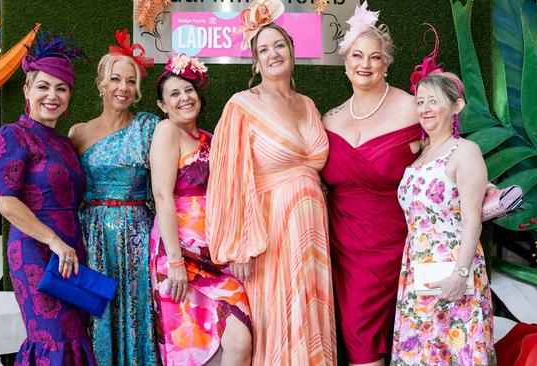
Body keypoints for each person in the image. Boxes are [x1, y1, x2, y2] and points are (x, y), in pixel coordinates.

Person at [206, 1, 337, 364]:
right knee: (277, 314)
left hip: (312, 229)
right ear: (255, 63)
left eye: (279, 45)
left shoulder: (309, 105)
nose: (273, 53)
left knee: (311, 309)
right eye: (263, 49)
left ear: (293, 52)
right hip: (270, 233)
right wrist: (238, 246)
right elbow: (228, 179)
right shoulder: (242, 105)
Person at [320, 3, 421, 365]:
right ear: (345, 62)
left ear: (386, 63)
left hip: (402, 244)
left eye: (374, 57)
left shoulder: (413, 108)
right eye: (357, 55)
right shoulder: (327, 120)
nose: (365, 64)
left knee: (412, 340)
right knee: (359, 340)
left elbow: (445, 157)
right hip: (344, 248)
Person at [0, 32, 96, 365]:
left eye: (61, 88)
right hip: (36, 254)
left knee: (76, 336)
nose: (52, 95)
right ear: (27, 91)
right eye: (43, 87)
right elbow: (4, 201)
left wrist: (70, 247)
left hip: (70, 254)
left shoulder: (64, 143)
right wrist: (55, 242)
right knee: (53, 338)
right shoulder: (12, 135)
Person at [391, 33, 494, 365]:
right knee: (422, 354)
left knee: (454, 350)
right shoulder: (420, 154)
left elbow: (472, 220)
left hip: (454, 270)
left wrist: (460, 275)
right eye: (420, 102)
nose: (425, 108)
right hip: (417, 269)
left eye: (433, 100)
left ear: (457, 106)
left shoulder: (465, 151)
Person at [149, 55, 252, 366]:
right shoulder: (167, 130)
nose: (184, 98)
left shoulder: (211, 139)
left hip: (216, 258)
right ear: (162, 105)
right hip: (180, 258)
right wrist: (176, 262)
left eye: (189, 90)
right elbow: (162, 196)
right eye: (175, 94)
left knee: (238, 339)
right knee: (194, 349)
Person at [68, 29, 159, 366]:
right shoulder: (78, 132)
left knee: (137, 310)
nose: (123, 87)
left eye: (131, 81)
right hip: (91, 237)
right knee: (96, 313)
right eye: (116, 79)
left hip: (136, 233)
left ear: (137, 91)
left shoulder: (151, 127)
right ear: (101, 84)